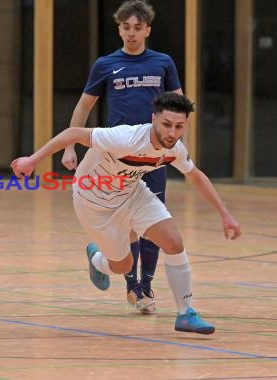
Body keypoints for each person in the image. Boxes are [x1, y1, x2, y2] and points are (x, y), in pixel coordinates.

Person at [12, 92, 241, 334]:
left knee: (174, 242)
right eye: (166, 125)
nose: (172, 133)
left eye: (178, 126)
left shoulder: (174, 149)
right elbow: (74, 134)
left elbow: (196, 176)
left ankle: (185, 314)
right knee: (123, 266)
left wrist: (225, 214)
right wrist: (32, 160)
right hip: (94, 204)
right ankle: (97, 259)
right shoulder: (125, 138)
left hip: (133, 194)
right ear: (153, 119)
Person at [61, 0, 183, 314]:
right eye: (126, 27)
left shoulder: (162, 63)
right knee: (127, 224)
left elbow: (179, 108)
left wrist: (180, 148)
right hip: (118, 156)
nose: (131, 33)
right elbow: (84, 106)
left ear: (147, 30)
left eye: (137, 28)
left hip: (153, 153)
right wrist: (70, 146)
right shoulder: (106, 65)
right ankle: (132, 287)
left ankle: (146, 286)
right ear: (119, 28)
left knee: (154, 222)